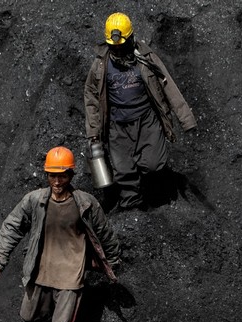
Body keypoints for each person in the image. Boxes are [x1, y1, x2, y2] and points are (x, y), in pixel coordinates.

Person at [0, 146, 121, 322]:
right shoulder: (35, 200)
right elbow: (12, 226)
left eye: (62, 176)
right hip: (42, 271)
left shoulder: (85, 203)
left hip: (71, 276)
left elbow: (105, 233)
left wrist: (112, 262)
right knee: (29, 314)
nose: (57, 182)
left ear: (71, 175)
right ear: (47, 175)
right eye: (52, 176)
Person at [84, 12, 197, 210]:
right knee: (123, 170)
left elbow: (168, 86)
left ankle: (155, 195)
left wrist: (186, 120)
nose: (118, 49)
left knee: (153, 164)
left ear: (131, 38)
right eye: (113, 46)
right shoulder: (100, 65)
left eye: (121, 45)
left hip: (147, 120)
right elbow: (91, 98)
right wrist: (94, 132)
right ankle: (132, 208)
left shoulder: (146, 59)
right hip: (117, 125)